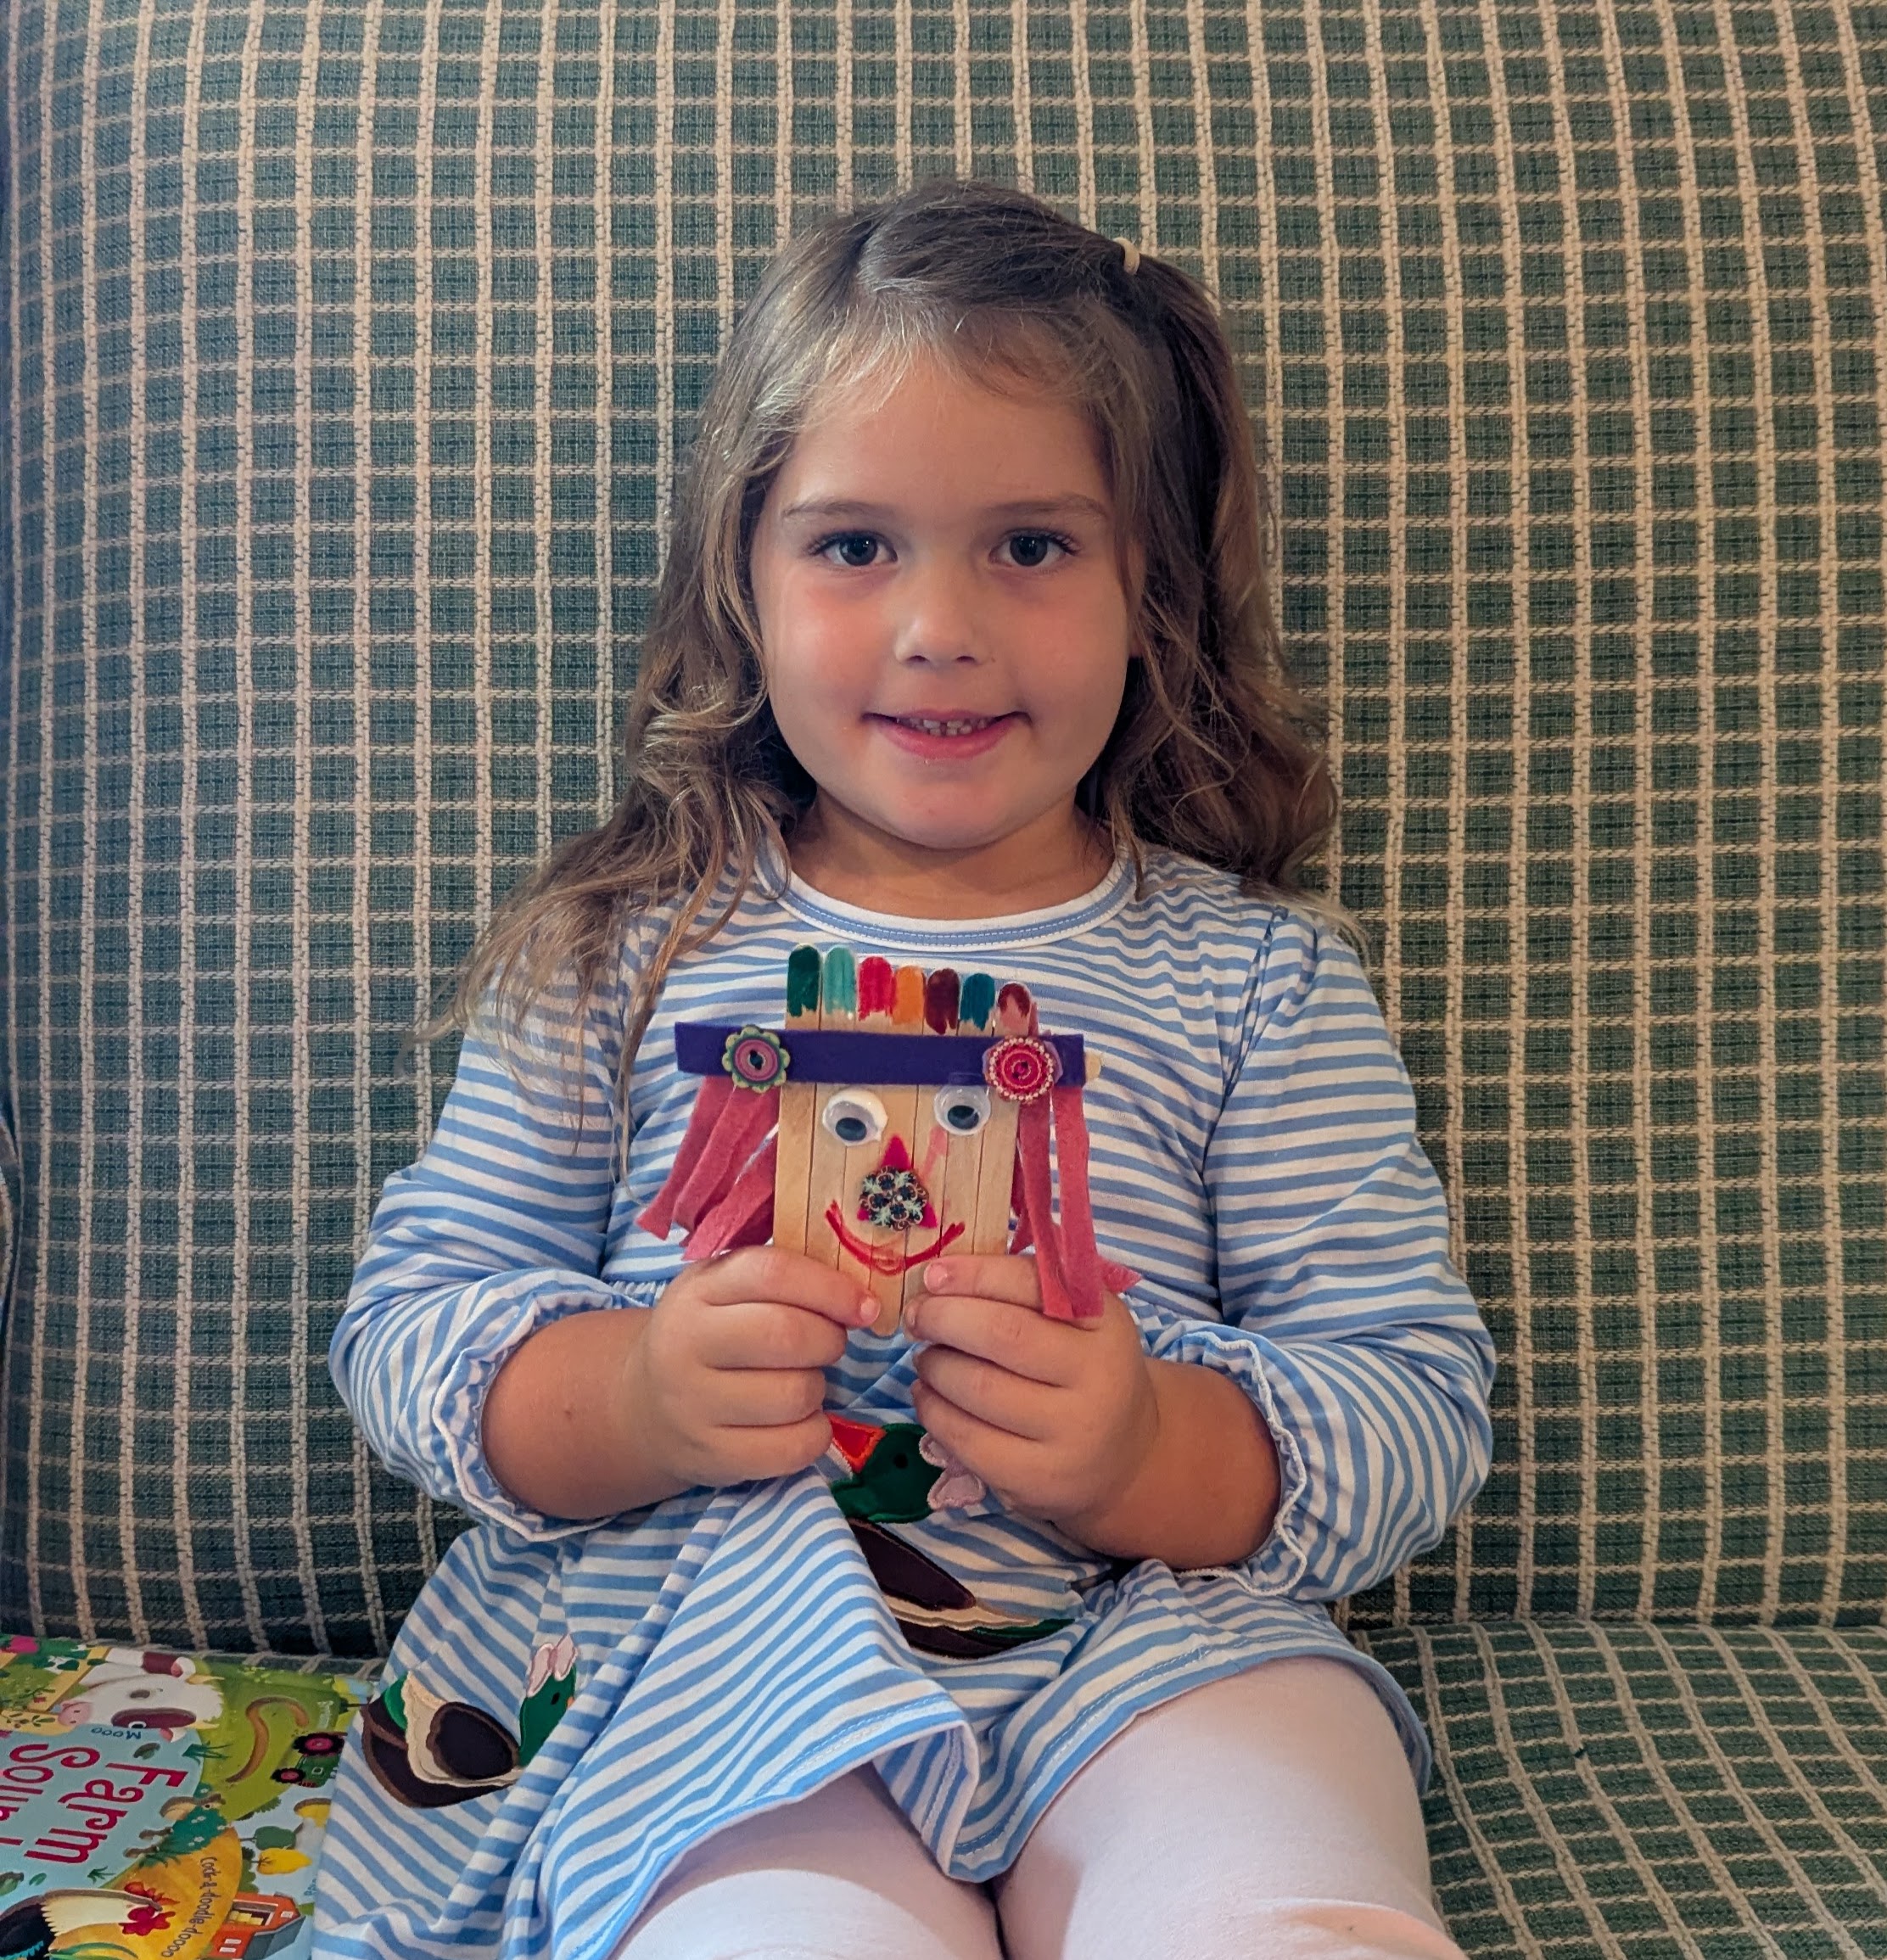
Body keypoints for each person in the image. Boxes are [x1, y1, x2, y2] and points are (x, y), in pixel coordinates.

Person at [312, 180, 1495, 1960]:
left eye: (1031, 546)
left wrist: (1145, 1446)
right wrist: (633, 1398)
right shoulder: (615, 950)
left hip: (1157, 1642)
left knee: (1275, 1912)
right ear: (744, 578)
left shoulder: (1254, 978)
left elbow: (1408, 1399)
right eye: (855, 545)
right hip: (705, 1651)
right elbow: (412, 1326)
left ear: (1149, 591)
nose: (939, 624)